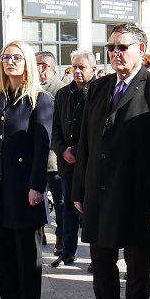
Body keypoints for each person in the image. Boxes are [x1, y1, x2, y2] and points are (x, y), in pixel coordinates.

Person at [74, 25, 150, 299]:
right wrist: (79, 190)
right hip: (100, 194)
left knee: (138, 268)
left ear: (141, 49)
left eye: (122, 47)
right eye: (111, 47)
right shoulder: (98, 87)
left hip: (137, 199)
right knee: (102, 266)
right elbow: (86, 142)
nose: (115, 53)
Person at [0, 41, 53, 299]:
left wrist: (37, 186)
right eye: (6, 57)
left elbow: (42, 147)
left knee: (27, 254)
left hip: (23, 188)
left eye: (16, 57)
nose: (10, 62)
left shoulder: (39, 99)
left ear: (27, 62)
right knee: (3, 252)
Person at [51, 50, 95, 267]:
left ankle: (97, 257)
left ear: (93, 69)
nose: (77, 71)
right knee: (69, 207)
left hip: (91, 163)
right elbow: (54, 127)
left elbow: (97, 129)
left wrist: (76, 151)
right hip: (67, 163)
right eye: (74, 67)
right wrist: (62, 150)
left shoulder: (99, 92)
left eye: (81, 67)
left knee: (91, 210)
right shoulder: (62, 94)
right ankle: (68, 252)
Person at [35, 51, 66, 254]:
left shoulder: (60, 90)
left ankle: (61, 238)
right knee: (37, 198)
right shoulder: (33, 88)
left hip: (54, 158)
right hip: (36, 157)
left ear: (44, 66)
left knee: (60, 201)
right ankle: (40, 233)